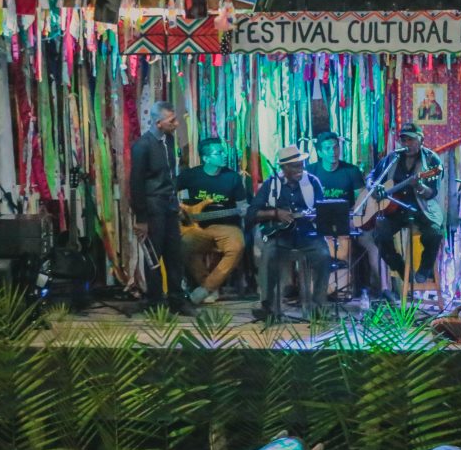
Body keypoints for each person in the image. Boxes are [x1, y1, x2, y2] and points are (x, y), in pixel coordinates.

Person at [247, 145, 332, 319]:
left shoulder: (312, 182)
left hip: (307, 235)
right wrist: (275, 213)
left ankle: (318, 306)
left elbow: (322, 210)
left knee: (323, 255)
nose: (299, 169)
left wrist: (314, 216)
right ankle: (268, 307)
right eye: (294, 166)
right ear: (284, 168)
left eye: (301, 164)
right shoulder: (272, 184)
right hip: (280, 235)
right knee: (269, 255)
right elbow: (251, 213)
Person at [306, 130, 391, 303]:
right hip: (318, 223)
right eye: (328, 148)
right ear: (320, 152)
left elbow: (361, 202)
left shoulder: (351, 171)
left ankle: (383, 288)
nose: (333, 152)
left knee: (373, 243)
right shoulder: (310, 172)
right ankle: (315, 290)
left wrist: (352, 216)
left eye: (336, 147)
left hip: (349, 221)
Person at [130, 102, 196, 316]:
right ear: (158, 123)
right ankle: (156, 302)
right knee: (154, 258)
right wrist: (141, 217)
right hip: (152, 207)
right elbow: (136, 183)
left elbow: (169, 176)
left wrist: (176, 204)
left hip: (169, 206)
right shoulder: (142, 146)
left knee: (174, 255)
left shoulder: (168, 140)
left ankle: (177, 299)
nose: (176, 124)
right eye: (172, 121)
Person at [368, 122, 444, 287]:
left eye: (411, 140)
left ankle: (424, 269)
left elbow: (432, 193)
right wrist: (374, 187)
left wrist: (419, 186)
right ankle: (401, 269)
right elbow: (372, 176)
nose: (407, 144)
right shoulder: (392, 158)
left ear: (421, 140)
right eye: (404, 140)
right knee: (379, 234)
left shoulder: (431, 160)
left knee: (435, 233)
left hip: (421, 209)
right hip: (394, 209)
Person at [177, 137, 250, 305]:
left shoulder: (232, 177)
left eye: (223, 151)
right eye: (219, 153)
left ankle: (205, 289)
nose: (224, 155)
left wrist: (247, 210)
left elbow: (243, 207)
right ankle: (209, 285)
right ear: (206, 158)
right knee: (184, 245)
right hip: (197, 227)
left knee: (237, 246)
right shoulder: (191, 176)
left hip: (227, 226)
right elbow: (167, 190)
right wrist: (179, 209)